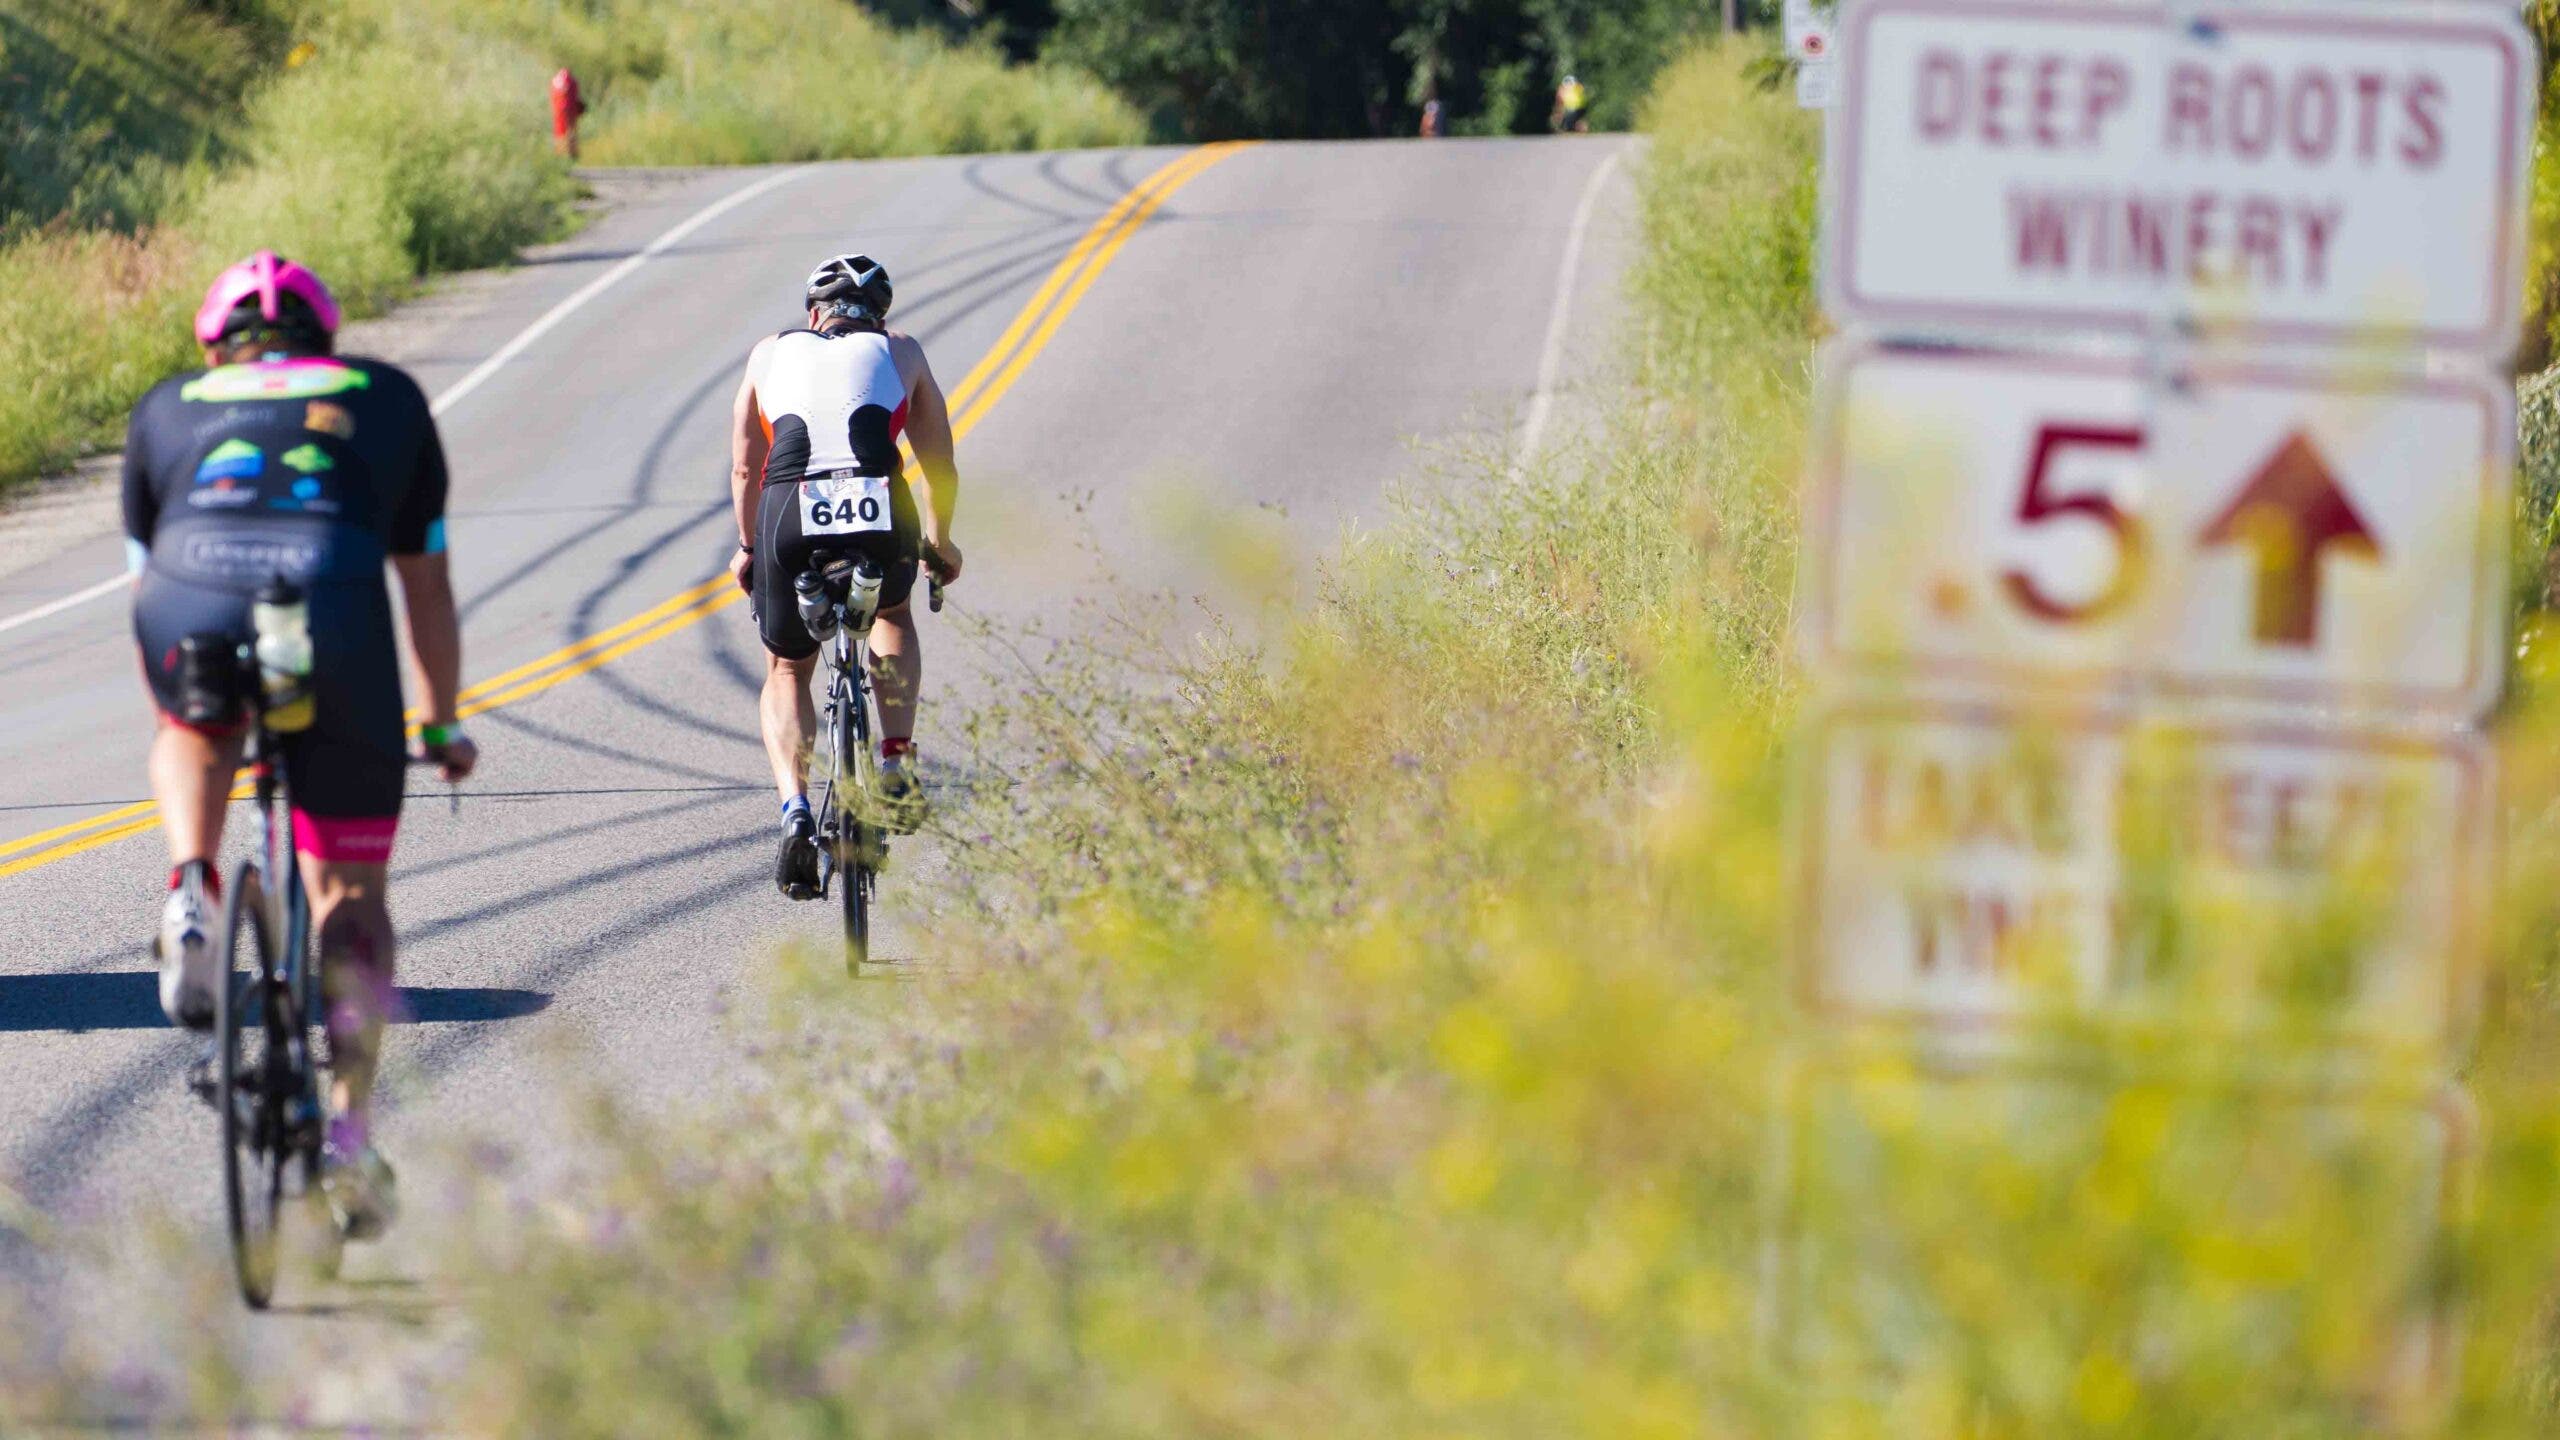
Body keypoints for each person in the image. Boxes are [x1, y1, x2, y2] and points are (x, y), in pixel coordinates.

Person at [126, 251, 476, 1241]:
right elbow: (426, 585)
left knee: (189, 723)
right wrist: (440, 720)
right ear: (324, 337)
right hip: (331, 610)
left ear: (215, 344)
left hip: (189, 592)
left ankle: (191, 886)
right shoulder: (388, 393)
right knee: (351, 899)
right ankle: (347, 1143)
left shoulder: (170, 401)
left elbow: (145, 573)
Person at [727, 254, 962, 895]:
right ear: (879, 314)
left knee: (787, 669)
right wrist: (941, 545)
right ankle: (895, 759)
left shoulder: (768, 353)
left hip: (788, 511)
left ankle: (796, 813)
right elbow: (938, 460)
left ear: (813, 314)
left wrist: (748, 548)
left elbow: (747, 470)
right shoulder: (902, 349)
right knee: (891, 613)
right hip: (880, 507)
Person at [550, 67, 586, 160]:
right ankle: (572, 154)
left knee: (559, 132)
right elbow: (575, 97)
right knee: (571, 131)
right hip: (570, 111)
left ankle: (561, 155)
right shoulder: (572, 81)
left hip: (559, 112)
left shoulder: (555, 81)